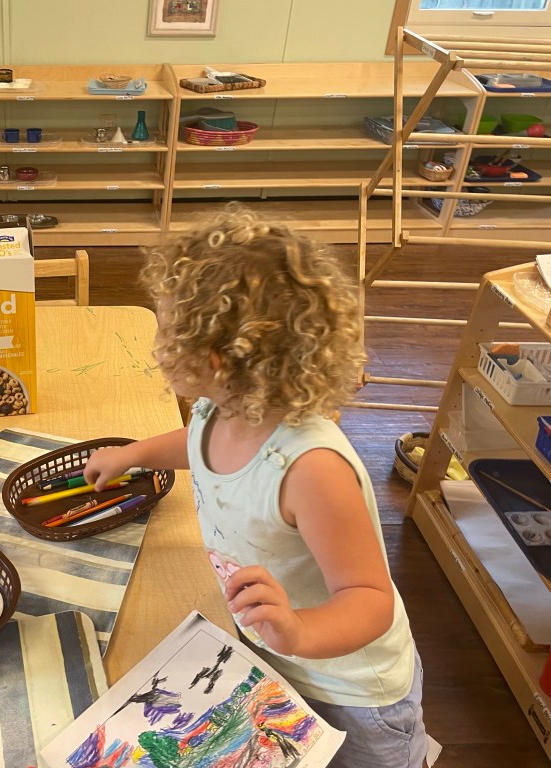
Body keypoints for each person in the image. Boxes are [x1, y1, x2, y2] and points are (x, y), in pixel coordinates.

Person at [84, 205, 428, 768]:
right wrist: (133, 455)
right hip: (274, 654)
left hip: (350, 689)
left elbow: (370, 599)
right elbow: (197, 441)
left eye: (165, 330)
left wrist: (297, 631)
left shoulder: (311, 469)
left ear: (216, 359)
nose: (156, 345)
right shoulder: (220, 407)